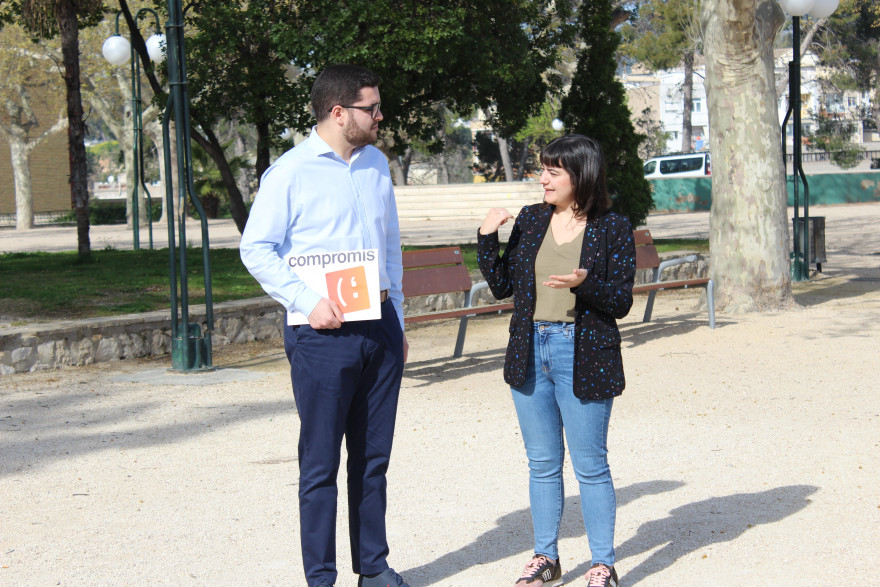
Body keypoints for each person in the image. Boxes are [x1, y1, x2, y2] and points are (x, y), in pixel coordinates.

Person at [239, 64, 410, 587]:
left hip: (378, 328)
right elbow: (256, 249)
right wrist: (306, 301)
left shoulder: (376, 163)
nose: (380, 116)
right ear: (339, 113)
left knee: (372, 459)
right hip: (321, 334)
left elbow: (390, 247)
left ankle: (374, 569)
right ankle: (321, 578)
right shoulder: (289, 172)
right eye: (371, 108)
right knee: (320, 466)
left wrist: (398, 320)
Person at [477, 134, 635, 587]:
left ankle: (602, 563)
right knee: (542, 463)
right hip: (529, 349)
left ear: (580, 176)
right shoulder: (530, 219)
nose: (542, 178)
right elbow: (504, 285)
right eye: (542, 169)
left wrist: (585, 283)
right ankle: (545, 556)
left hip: (582, 353)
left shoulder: (612, 226)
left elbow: (621, 301)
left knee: (590, 465)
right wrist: (487, 239)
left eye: (553, 171)